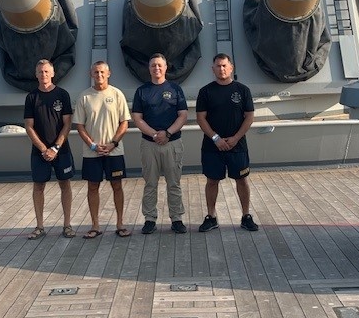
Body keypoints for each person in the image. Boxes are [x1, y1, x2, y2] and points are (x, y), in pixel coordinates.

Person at [196, 53, 259, 232]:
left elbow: (249, 117)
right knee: (212, 181)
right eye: (218, 66)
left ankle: (246, 216)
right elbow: (201, 118)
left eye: (224, 65)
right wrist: (215, 138)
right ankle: (211, 216)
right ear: (212, 69)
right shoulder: (206, 91)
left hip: (237, 146)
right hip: (212, 146)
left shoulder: (243, 90)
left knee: (242, 180)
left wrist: (235, 138)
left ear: (231, 67)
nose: (221, 69)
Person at [131, 53, 188, 234]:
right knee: (150, 183)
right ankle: (149, 219)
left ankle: (177, 218)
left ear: (165, 68)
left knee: (174, 183)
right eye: (153, 65)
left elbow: (183, 115)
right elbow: (137, 118)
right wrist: (155, 134)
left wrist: (168, 133)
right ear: (149, 69)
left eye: (159, 65)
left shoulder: (175, 89)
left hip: (172, 143)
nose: (156, 68)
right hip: (149, 144)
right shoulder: (142, 91)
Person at [73, 61, 131, 239]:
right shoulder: (84, 97)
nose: (99, 75)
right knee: (92, 187)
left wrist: (113, 143)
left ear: (109, 73)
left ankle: (120, 223)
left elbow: (124, 122)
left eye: (102, 72)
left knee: (117, 186)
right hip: (92, 152)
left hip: (114, 151)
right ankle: (95, 225)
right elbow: (80, 126)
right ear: (91, 74)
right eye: (96, 72)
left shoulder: (117, 94)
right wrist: (92, 145)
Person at [24, 59, 75, 240]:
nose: (43, 75)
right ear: (36, 75)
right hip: (40, 152)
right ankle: (39, 227)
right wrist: (44, 149)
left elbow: (67, 124)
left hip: (62, 150)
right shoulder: (31, 97)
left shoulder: (63, 95)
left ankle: (67, 225)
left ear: (52, 74)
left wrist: (55, 147)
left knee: (65, 185)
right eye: (40, 72)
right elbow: (29, 126)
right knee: (38, 187)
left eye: (46, 71)